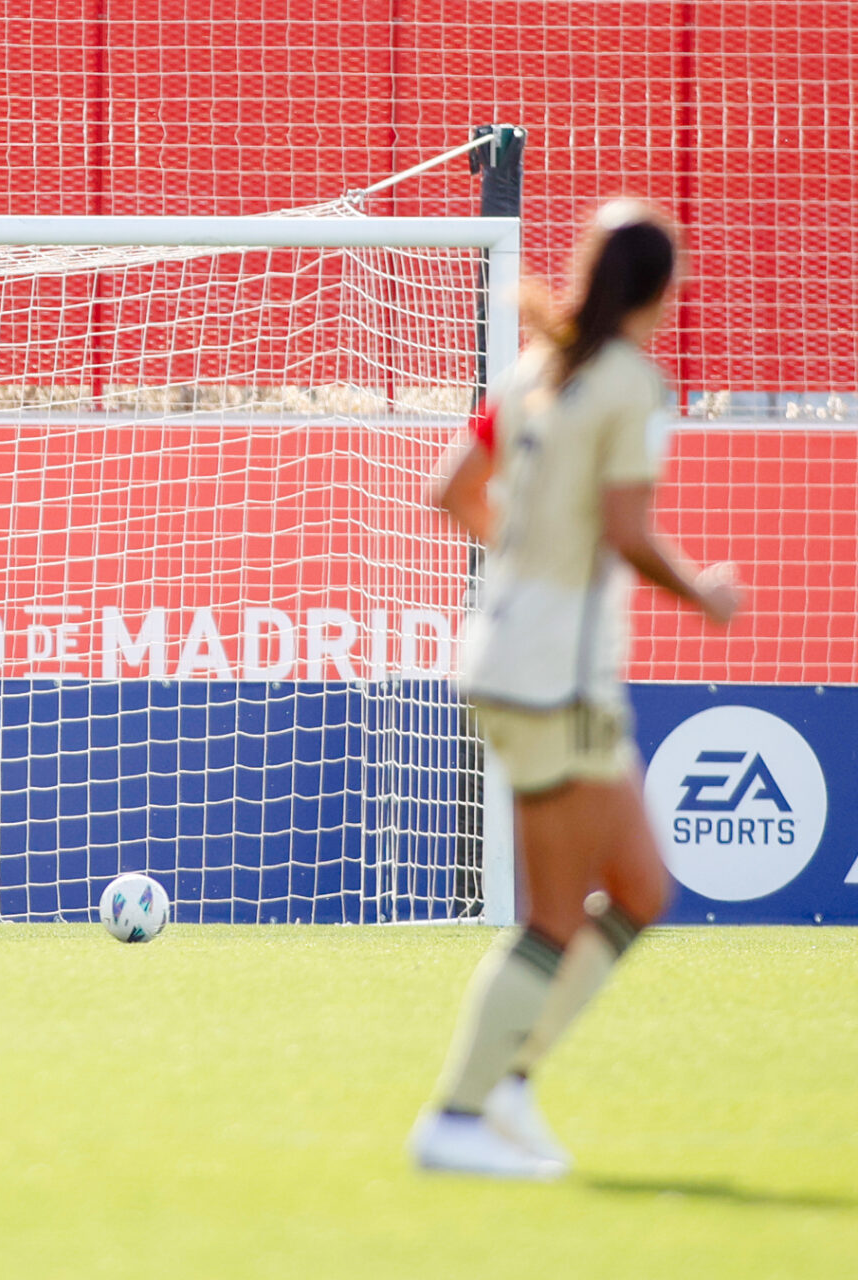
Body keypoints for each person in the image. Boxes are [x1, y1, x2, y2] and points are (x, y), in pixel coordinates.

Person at [410, 201, 739, 1179]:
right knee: (557, 914)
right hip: (553, 677)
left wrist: (524, 563)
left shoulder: (532, 371)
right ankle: (463, 1114)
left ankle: (507, 1085)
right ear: (663, 291)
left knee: (640, 886)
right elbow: (630, 529)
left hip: (519, 658)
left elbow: (451, 489)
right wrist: (705, 594)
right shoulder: (632, 382)